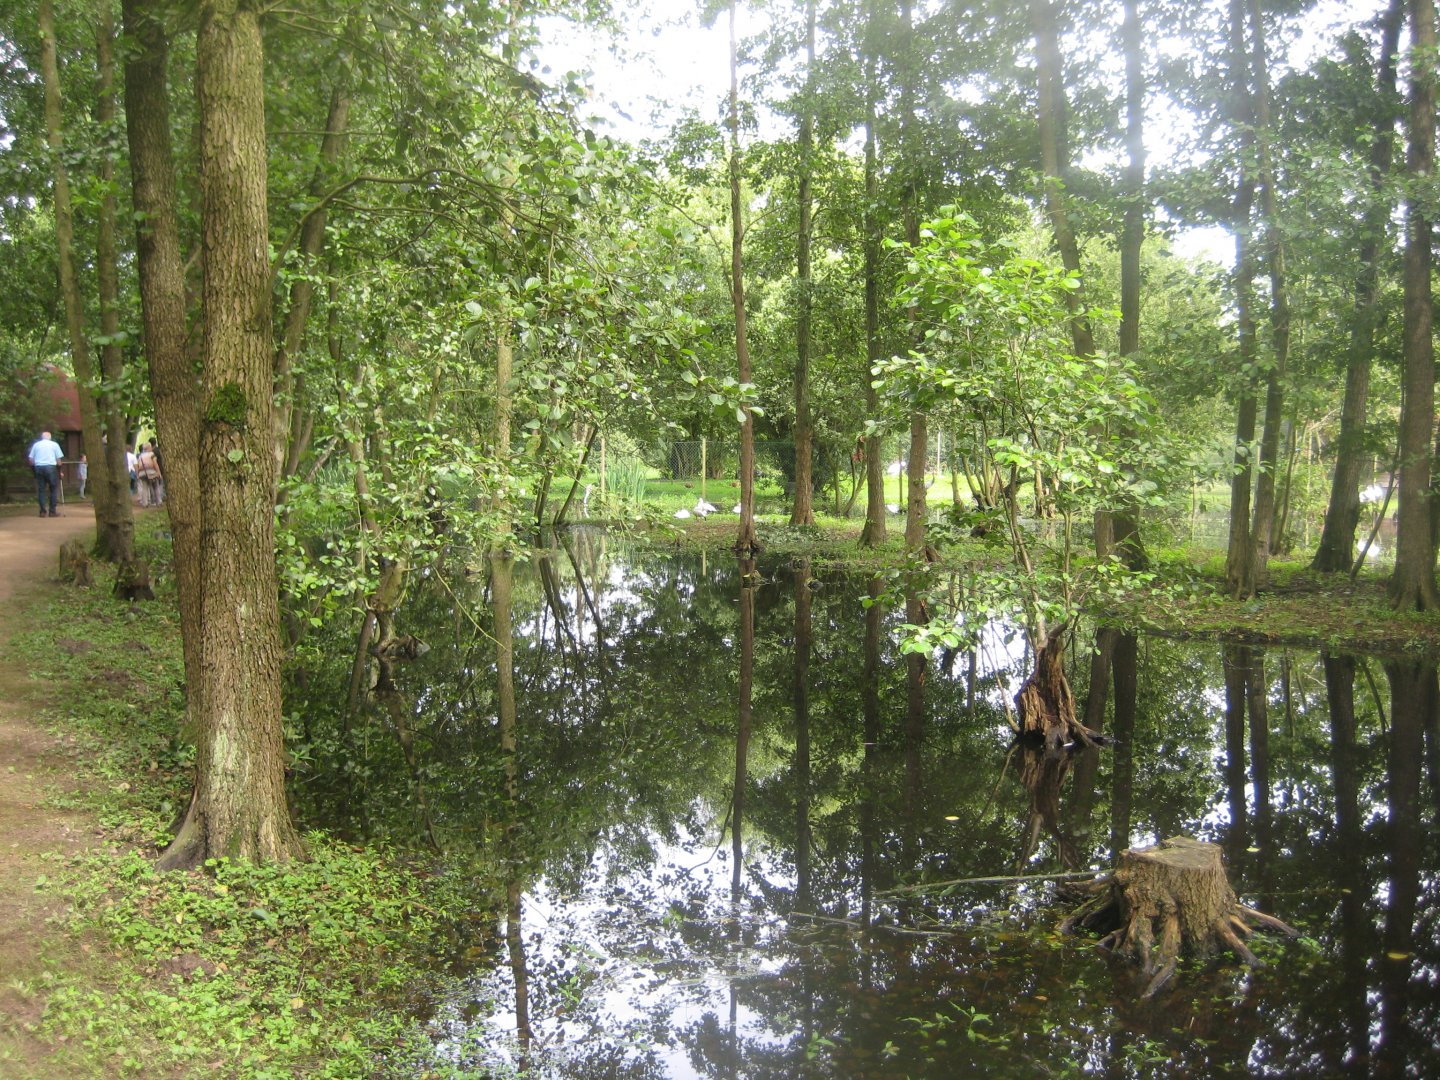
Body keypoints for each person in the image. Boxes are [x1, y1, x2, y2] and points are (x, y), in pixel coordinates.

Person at [27, 430, 64, 517]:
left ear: (42, 437)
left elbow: (31, 460)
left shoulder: (36, 445)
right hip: (51, 467)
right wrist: (60, 472)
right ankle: (52, 511)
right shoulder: (54, 445)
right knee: (53, 489)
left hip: (39, 467)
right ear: (50, 437)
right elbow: (59, 460)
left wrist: (33, 470)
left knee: (41, 490)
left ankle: (43, 511)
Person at [136, 442, 163, 507]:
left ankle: (145, 503)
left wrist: (138, 474)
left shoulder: (140, 456)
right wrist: (158, 472)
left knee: (144, 488)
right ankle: (158, 502)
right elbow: (155, 464)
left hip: (142, 473)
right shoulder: (151, 454)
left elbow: (138, 465)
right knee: (156, 486)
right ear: (149, 448)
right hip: (151, 472)